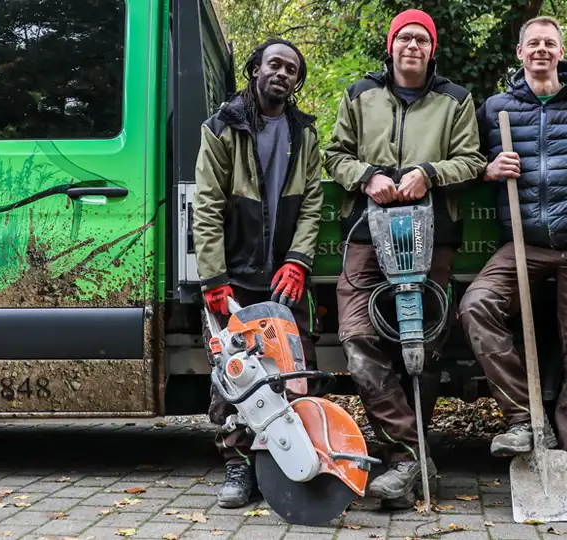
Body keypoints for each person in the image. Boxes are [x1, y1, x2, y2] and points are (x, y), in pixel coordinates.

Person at [459, 16, 567, 517]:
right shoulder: (496, 109)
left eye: (550, 43)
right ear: (520, 52)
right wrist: (489, 169)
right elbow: (465, 162)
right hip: (525, 243)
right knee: (476, 305)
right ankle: (523, 420)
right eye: (533, 43)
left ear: (561, 51)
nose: (541, 50)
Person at [323, 9, 486, 506]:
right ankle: (411, 454)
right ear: (391, 45)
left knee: (424, 348)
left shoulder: (455, 100)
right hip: (365, 235)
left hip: (431, 236)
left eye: (421, 39)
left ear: (431, 49)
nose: (412, 46)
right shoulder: (359, 94)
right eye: (404, 38)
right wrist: (367, 176)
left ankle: (402, 463)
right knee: (358, 338)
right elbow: (335, 154)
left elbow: (473, 159)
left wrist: (429, 173)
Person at [192, 38, 324, 509]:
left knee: (297, 369)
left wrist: (299, 260)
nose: (282, 74)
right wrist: (213, 279)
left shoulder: (304, 134)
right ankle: (237, 464)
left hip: (285, 277)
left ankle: (297, 463)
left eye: (291, 69)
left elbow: (311, 205)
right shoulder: (221, 128)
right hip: (234, 275)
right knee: (234, 372)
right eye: (275, 64)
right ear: (255, 69)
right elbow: (207, 206)